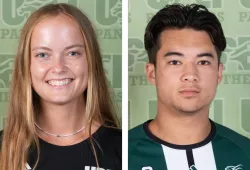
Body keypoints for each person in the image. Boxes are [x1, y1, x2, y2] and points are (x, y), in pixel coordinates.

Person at [0, 3, 121, 170]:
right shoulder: (4, 148)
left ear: (91, 61)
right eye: (43, 55)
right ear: (26, 65)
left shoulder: (123, 149)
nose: (58, 67)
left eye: (72, 53)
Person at [129, 3, 250, 170]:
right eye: (175, 62)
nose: (190, 75)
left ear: (219, 73)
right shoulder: (121, 154)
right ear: (152, 73)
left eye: (203, 62)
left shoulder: (245, 153)